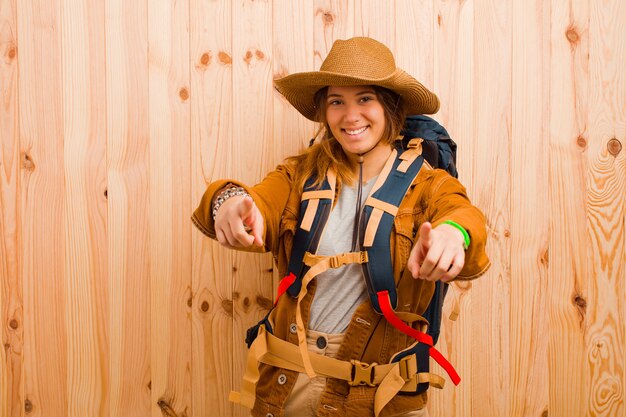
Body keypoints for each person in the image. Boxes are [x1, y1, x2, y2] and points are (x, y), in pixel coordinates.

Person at [192, 37, 490, 417]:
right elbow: (254, 201)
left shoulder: (427, 184)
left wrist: (453, 235)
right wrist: (227, 204)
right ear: (324, 110)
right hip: (291, 387)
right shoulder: (300, 175)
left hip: (381, 398)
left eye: (364, 99)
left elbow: (465, 217)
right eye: (337, 101)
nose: (350, 116)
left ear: (389, 105)